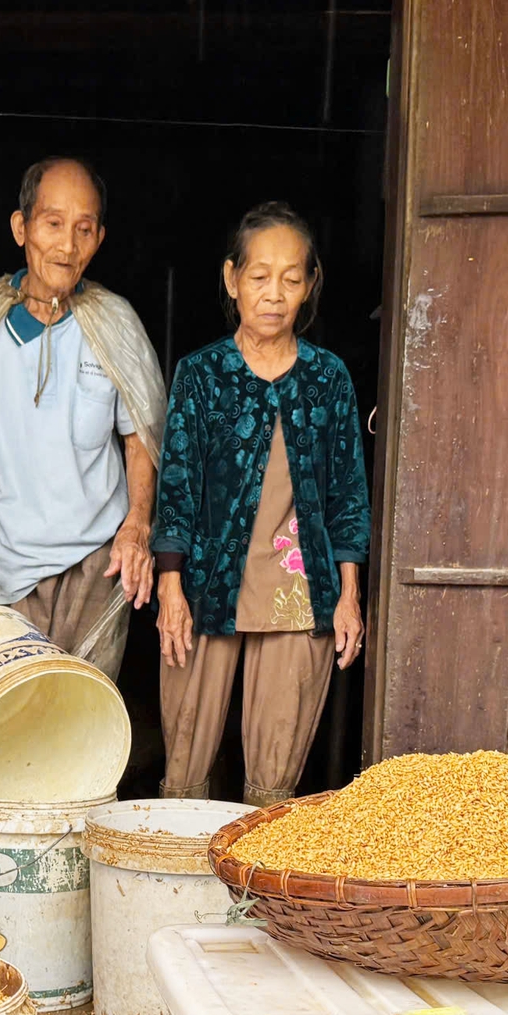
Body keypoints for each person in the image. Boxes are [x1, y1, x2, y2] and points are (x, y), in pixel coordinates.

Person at [152, 202, 370, 805]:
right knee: (184, 767)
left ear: (310, 285)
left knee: (274, 787)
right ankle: (174, 864)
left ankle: (259, 871)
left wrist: (350, 595)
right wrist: (170, 589)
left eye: (291, 279)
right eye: (259, 277)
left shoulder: (328, 378)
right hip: (206, 587)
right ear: (232, 279)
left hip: (298, 591)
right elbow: (176, 487)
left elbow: (348, 494)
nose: (274, 294)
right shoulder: (201, 375)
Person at [0, 158, 167, 678]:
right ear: (21, 227)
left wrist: (138, 525)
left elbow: (140, 438)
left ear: (99, 239)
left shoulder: (115, 323)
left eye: (84, 229)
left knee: (82, 715)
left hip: (95, 569)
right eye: (53, 224)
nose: (67, 246)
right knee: (5, 715)